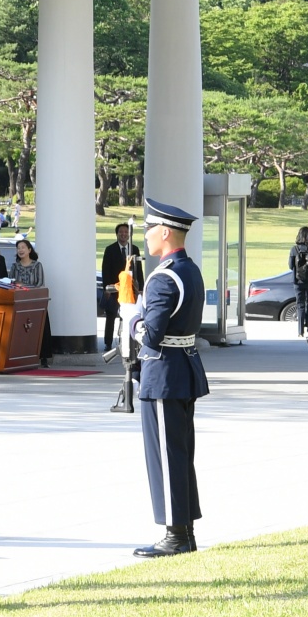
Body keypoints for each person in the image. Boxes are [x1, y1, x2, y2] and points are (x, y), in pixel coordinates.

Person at [131, 199, 210, 558]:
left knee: (165, 455)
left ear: (164, 232)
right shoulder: (189, 270)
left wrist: (131, 318)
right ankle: (185, 531)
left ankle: (175, 534)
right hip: (183, 368)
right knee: (179, 452)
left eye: (149, 229)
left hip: (163, 372)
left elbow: (151, 333)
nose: (146, 236)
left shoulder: (163, 277)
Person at [102, 222, 141, 351]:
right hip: (114, 289)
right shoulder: (110, 249)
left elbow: (139, 270)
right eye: (121, 232)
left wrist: (140, 287)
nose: (123, 234)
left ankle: (129, 342)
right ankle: (108, 343)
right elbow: (105, 270)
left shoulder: (134, 249)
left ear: (129, 234)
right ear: (117, 234)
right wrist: (106, 288)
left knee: (129, 316)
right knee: (111, 316)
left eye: (126, 232)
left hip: (130, 290)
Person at [290, 226, 308, 336]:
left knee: (300, 305)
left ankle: (300, 331)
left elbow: (290, 265)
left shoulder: (294, 249)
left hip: (298, 281)